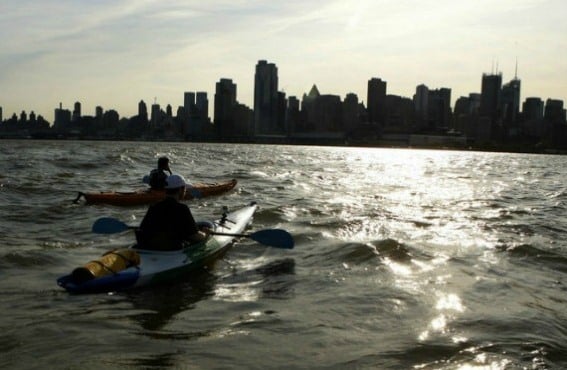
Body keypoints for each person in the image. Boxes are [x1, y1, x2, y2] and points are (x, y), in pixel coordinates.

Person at [137, 174, 208, 251]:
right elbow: (195, 236)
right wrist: (206, 234)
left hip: (151, 248)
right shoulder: (182, 208)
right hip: (172, 250)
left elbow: (142, 230)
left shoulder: (154, 206)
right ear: (180, 190)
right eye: (184, 189)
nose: (185, 191)